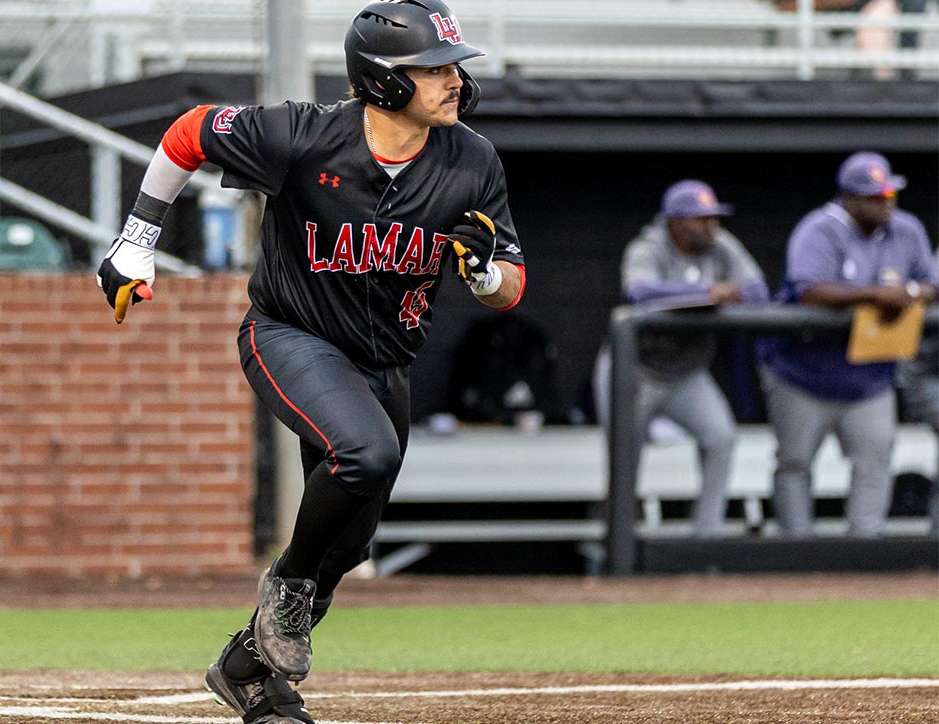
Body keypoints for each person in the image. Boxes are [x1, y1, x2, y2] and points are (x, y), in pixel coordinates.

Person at [96, 2, 524, 722]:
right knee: (365, 454)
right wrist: (136, 240)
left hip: (384, 362)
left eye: (454, 67)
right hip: (289, 334)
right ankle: (286, 589)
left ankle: (249, 672)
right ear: (384, 82)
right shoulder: (301, 135)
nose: (455, 81)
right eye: (435, 69)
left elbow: (511, 286)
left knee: (349, 542)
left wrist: (483, 275)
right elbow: (187, 133)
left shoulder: (473, 159)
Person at [758, 151, 938, 538]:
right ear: (849, 199)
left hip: (870, 374)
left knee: (874, 459)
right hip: (805, 370)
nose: (885, 203)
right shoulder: (819, 229)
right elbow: (808, 289)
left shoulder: (906, 230)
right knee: (795, 462)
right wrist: (875, 295)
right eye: (875, 197)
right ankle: (796, 547)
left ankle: (864, 552)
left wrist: (908, 291)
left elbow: (932, 283)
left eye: (889, 194)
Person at [618, 180, 770, 538]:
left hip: (687, 373)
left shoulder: (721, 245)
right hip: (636, 370)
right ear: (675, 223)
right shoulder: (650, 245)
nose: (709, 226)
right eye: (699, 219)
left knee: (721, 437)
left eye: (712, 218)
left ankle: (707, 534)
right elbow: (638, 290)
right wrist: (704, 292)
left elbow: (758, 290)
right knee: (625, 456)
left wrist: (723, 293)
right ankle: (620, 540)